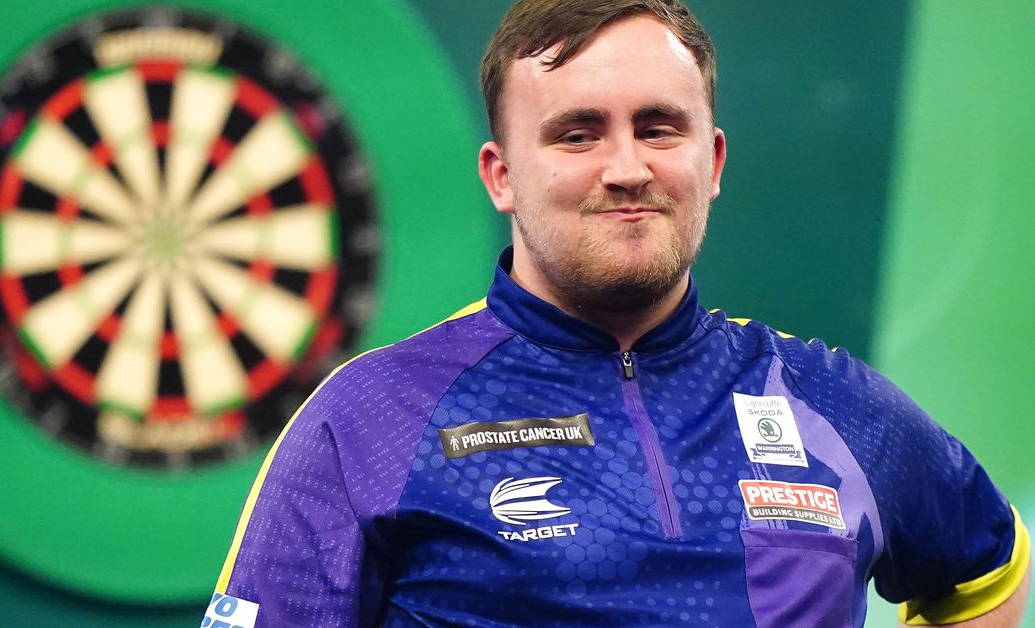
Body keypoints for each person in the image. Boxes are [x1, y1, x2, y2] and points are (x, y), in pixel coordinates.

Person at [203, 1, 1031, 625]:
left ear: (711, 162)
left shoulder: (829, 401)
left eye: (659, 129)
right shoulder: (369, 419)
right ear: (501, 176)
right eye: (578, 134)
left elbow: (987, 572)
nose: (628, 168)